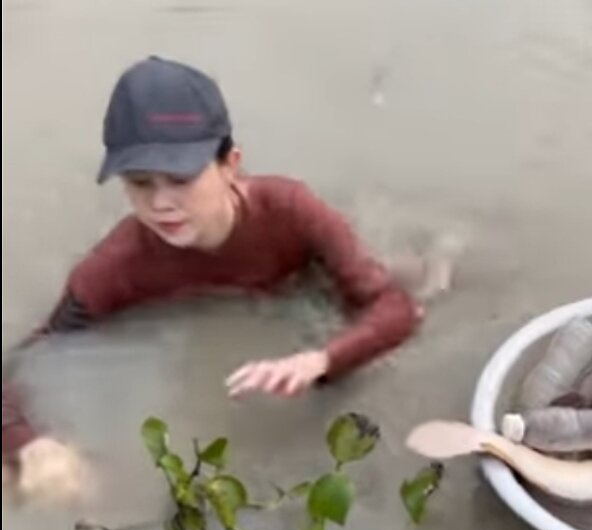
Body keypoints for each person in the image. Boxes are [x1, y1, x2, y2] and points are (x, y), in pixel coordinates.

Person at [2, 56, 442, 500]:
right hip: (229, 319)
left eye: (180, 179)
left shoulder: (290, 211)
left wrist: (319, 360)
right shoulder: (113, 270)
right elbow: (26, 362)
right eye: (140, 183)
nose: (160, 203)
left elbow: (396, 307)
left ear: (230, 164)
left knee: (432, 278)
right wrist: (30, 446)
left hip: (307, 290)